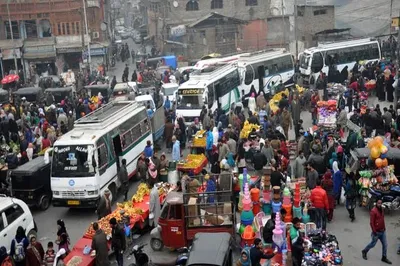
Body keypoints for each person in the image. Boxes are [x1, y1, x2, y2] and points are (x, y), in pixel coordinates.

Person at [362, 199, 392, 264]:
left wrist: (384, 228)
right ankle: (364, 251)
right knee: (372, 244)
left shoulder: (382, 209)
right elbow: (371, 223)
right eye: (378, 203)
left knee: (385, 245)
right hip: (376, 232)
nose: (380, 204)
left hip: (382, 231)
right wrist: (374, 231)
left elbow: (382, 219)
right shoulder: (373, 211)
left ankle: (384, 257)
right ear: (376, 203)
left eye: (381, 203)